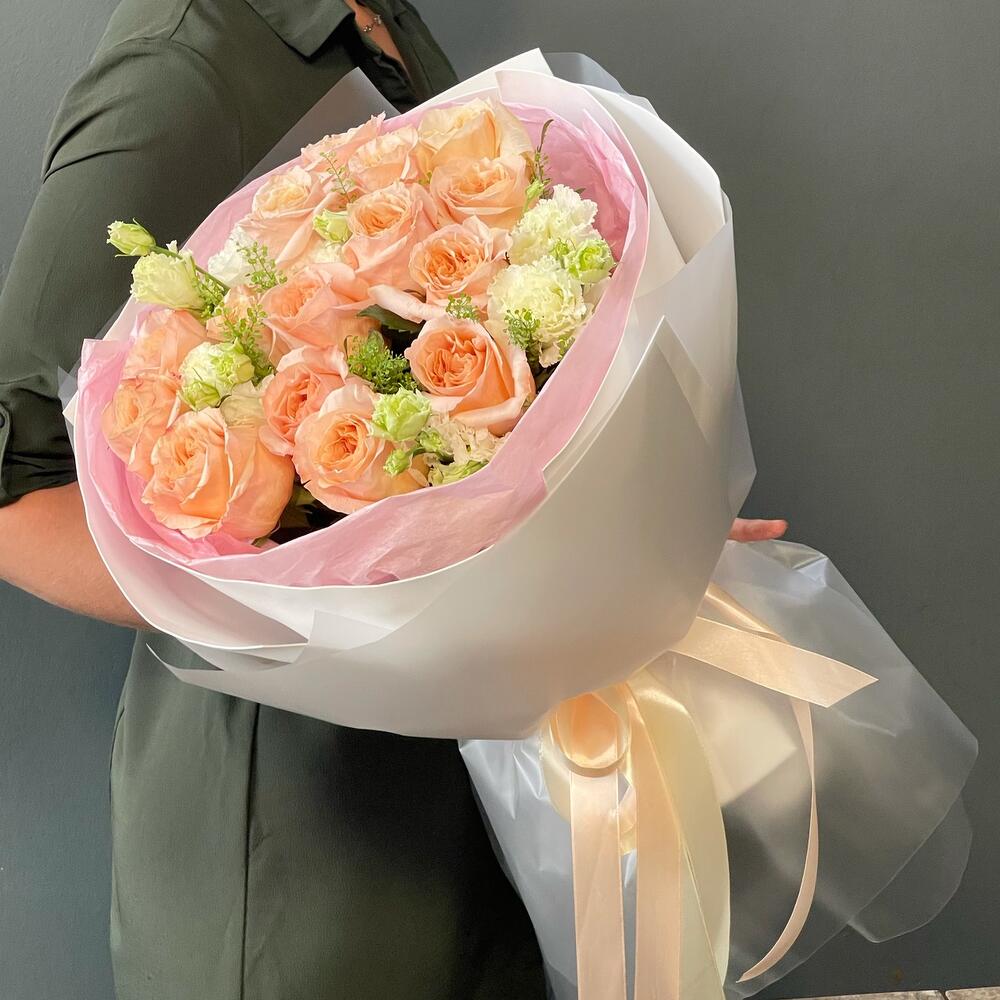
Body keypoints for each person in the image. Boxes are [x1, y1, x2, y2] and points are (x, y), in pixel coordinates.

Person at [0, 1, 786, 997]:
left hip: (473, 785)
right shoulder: (182, 62)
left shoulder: (381, 19)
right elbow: (11, 500)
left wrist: (622, 534)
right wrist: (345, 614)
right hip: (296, 838)